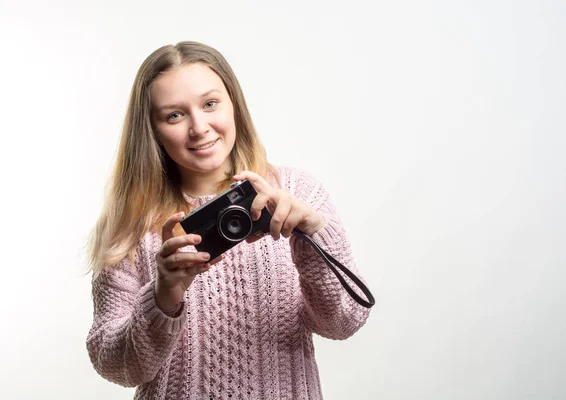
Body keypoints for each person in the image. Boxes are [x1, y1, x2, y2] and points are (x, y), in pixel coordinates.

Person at [85, 40, 371, 400]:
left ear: (234, 103)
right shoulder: (129, 224)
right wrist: (162, 298)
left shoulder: (296, 193)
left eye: (209, 104)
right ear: (153, 130)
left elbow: (344, 322)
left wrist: (313, 237)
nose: (199, 127)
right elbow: (115, 365)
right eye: (175, 114)